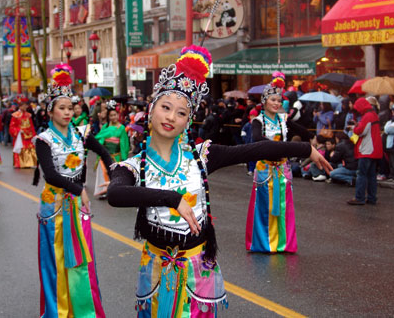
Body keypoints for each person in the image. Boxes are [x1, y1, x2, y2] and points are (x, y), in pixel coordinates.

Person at [107, 47, 331, 316]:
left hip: (199, 269)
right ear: (152, 110)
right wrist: (171, 198)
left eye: (181, 113)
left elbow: (255, 150)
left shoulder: (201, 156)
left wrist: (305, 149)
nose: (170, 117)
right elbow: (116, 194)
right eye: (165, 107)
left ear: (188, 121)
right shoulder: (133, 167)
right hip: (158, 270)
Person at [34, 64, 112, 317]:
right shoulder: (43, 140)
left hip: (78, 205)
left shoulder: (81, 134)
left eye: (71, 108)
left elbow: (104, 153)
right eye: (62, 108)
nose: (68, 113)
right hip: (55, 206)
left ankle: (83, 310)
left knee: (83, 260)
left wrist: (118, 171)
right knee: (55, 262)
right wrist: (79, 189)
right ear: (50, 111)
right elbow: (51, 175)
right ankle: (57, 311)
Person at [247, 71, 315, 253]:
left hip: (282, 170)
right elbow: (256, 139)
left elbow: (305, 132)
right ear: (264, 102)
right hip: (265, 170)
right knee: (264, 208)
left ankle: (283, 244)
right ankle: (263, 244)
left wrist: (312, 138)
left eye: (279, 101)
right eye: (273, 100)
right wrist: (281, 147)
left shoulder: (283, 121)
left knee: (284, 208)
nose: (277, 104)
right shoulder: (258, 121)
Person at [347, 97, 383, 205]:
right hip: (374, 149)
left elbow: (360, 131)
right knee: (371, 175)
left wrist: (353, 128)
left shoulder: (367, 116)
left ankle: (359, 197)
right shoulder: (373, 115)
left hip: (367, 149)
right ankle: (372, 197)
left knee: (362, 174)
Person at [94, 99, 129, 198]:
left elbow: (124, 143)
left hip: (116, 155)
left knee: (115, 174)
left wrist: (124, 157)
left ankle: (114, 191)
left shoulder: (121, 128)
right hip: (105, 153)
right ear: (108, 117)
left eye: (115, 115)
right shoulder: (105, 127)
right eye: (111, 115)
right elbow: (100, 138)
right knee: (104, 172)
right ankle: (104, 190)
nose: (114, 117)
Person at [9, 97, 37, 168]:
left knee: (29, 148)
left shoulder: (28, 115)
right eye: (23, 105)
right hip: (20, 136)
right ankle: (21, 163)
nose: (25, 107)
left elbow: (31, 126)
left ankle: (29, 163)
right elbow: (12, 126)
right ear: (20, 106)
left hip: (29, 135)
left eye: (26, 105)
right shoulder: (15, 115)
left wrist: (34, 135)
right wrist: (18, 130)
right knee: (21, 148)